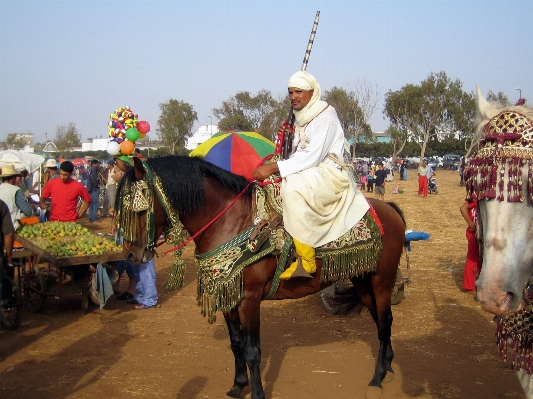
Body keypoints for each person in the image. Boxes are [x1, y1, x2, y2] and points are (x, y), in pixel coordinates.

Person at [252, 71, 368, 279]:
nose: (293, 96)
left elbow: (311, 156)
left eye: (298, 92)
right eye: (290, 92)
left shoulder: (326, 117)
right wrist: (287, 135)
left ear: (312, 93)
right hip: (311, 170)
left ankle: (306, 259)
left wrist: (273, 167)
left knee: (293, 188)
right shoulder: (301, 119)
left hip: (329, 173)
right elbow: (295, 153)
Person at [460, 194, 481, 292]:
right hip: (476, 234)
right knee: (474, 259)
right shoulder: (476, 200)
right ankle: (470, 285)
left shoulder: (475, 199)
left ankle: (473, 285)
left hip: (478, 233)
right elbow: (463, 209)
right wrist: (472, 225)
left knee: (477, 259)